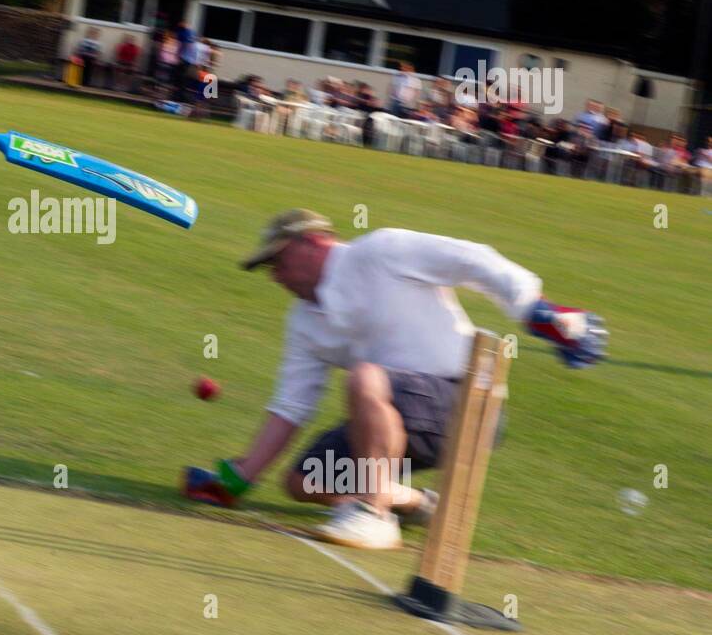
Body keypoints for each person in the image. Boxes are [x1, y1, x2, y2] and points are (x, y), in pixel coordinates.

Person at [181, 210, 607, 548]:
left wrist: (536, 310)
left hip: (467, 403)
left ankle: (374, 515)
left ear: (313, 242)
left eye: (279, 260)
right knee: (305, 479)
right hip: (401, 421)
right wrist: (237, 481)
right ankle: (414, 502)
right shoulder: (303, 321)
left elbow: (473, 260)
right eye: (269, 267)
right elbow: (291, 406)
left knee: (365, 379)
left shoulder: (380, 250)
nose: (275, 275)